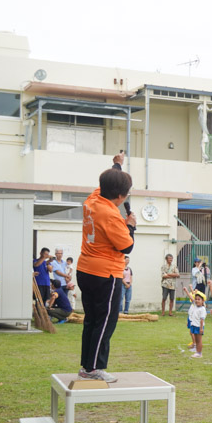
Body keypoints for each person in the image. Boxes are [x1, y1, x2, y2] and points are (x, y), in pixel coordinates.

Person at [75, 156, 137, 382]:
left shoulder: (93, 200)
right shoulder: (111, 215)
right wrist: (130, 226)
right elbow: (127, 246)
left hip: (85, 269)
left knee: (91, 319)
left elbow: (107, 183)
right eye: (126, 193)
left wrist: (117, 166)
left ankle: (86, 366)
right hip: (106, 274)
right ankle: (94, 368)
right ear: (120, 196)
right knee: (105, 322)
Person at [182, 286, 207, 358]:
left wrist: (201, 328)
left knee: (199, 340)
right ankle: (197, 351)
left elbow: (202, 320)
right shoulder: (195, 306)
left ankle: (199, 353)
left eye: (199, 299)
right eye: (196, 299)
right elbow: (191, 297)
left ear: (202, 301)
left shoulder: (202, 309)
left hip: (198, 326)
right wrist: (186, 290)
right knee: (196, 340)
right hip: (194, 325)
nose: (197, 301)